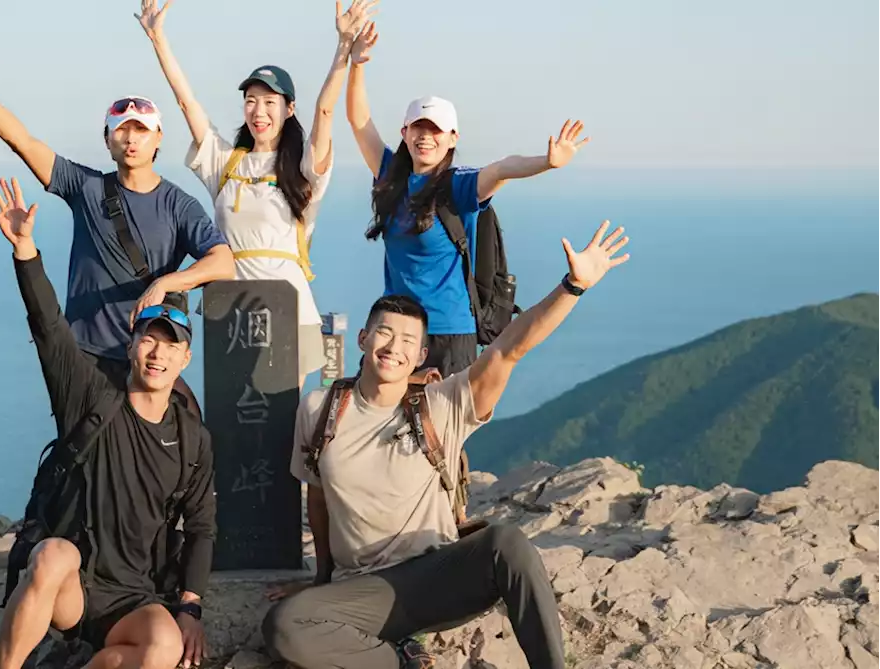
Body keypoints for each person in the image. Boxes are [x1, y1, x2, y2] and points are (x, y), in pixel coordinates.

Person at [262, 220, 631, 669]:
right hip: (361, 589)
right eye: (383, 333)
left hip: (435, 577)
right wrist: (321, 578)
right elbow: (317, 496)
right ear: (362, 338)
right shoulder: (319, 409)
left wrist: (572, 286)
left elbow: (509, 349)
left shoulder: (440, 405)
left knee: (507, 543)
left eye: (408, 341)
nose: (392, 346)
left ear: (421, 357)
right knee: (284, 625)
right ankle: (398, 660)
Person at [0, 178, 217, 669]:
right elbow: (49, 329)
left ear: (186, 356)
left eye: (170, 344)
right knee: (51, 557)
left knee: (165, 646)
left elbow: (201, 527)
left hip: (135, 595)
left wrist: (190, 606)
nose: (157, 353)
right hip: (73, 587)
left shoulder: (192, 435)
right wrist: (26, 252)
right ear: (130, 344)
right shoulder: (91, 397)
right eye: (148, 340)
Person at [0, 36, 236, 397]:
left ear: (158, 139)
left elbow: (222, 262)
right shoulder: (85, 187)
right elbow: (24, 142)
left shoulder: (178, 205)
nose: (131, 138)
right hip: (85, 357)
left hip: (146, 359)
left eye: (141, 129)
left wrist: (166, 283)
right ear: (107, 140)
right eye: (121, 129)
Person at [136, 0, 377, 388]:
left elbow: (326, 112)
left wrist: (343, 47)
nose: (258, 110)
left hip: (288, 312)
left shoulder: (303, 171)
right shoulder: (226, 164)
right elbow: (187, 103)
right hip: (231, 316)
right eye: (250, 101)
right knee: (234, 425)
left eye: (269, 102)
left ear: (289, 109)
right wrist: (158, 39)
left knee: (281, 423)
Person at [344, 24, 591, 378]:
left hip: (448, 332)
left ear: (452, 138)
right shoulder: (390, 176)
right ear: (405, 132)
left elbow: (503, 168)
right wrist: (357, 63)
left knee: (442, 430)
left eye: (435, 130)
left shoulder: (458, 186)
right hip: (398, 329)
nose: (425, 137)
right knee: (381, 424)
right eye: (418, 128)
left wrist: (547, 162)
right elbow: (358, 120)